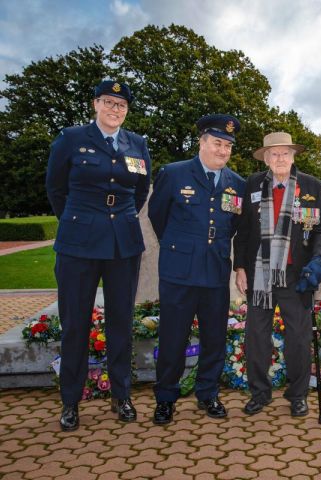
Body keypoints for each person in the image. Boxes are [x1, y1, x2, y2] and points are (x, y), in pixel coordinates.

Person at [46, 80, 151, 431]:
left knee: (120, 321)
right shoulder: (71, 138)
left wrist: (119, 217)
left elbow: (140, 191)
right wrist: (81, 220)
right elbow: (56, 188)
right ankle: (70, 401)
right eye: (109, 102)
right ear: (95, 104)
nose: (114, 109)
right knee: (75, 323)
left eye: (121, 105)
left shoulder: (137, 144)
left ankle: (121, 395)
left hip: (123, 242)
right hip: (79, 242)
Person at [148, 114, 246, 425]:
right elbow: (157, 217)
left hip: (215, 271)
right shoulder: (174, 174)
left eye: (228, 145)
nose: (223, 150)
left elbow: (236, 227)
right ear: (202, 142)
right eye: (217, 142)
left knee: (214, 338)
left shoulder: (237, 184)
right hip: (179, 272)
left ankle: (208, 394)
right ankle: (165, 398)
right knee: (173, 338)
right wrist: (182, 246)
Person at [233, 132, 321, 417]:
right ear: (265, 158)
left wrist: (317, 262)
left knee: (299, 338)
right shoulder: (251, 184)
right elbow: (242, 232)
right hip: (259, 274)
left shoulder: (312, 186)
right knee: (256, 336)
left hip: (296, 275)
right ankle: (260, 393)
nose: (279, 159)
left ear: (293, 155)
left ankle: (298, 395)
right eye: (273, 154)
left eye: (284, 153)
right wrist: (240, 267)